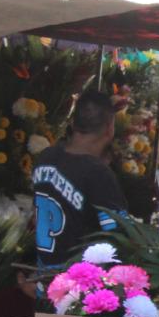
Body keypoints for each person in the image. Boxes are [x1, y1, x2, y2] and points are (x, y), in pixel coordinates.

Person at [32, 89, 126, 267]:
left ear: (73, 123)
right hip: (77, 286)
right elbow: (119, 238)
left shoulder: (46, 157)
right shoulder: (98, 173)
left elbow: (35, 219)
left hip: (43, 279)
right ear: (109, 128)